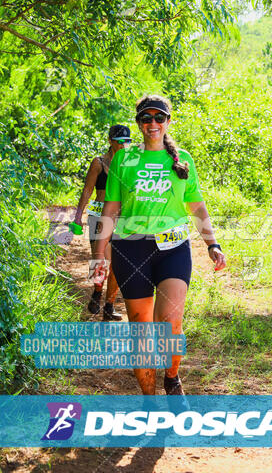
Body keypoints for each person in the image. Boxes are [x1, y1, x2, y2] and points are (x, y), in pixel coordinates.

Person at [91, 94, 226, 395]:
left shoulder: (183, 159)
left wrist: (212, 243)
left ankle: (172, 376)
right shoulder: (125, 159)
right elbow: (110, 210)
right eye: (146, 118)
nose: (153, 123)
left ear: (168, 121)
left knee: (171, 322)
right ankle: (150, 403)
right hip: (130, 247)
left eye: (159, 117)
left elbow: (197, 206)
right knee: (141, 332)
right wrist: (99, 256)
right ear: (138, 123)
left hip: (173, 248)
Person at [73, 124, 132, 321]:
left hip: (121, 217)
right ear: (110, 141)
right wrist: (77, 216)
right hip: (98, 215)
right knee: (100, 259)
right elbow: (87, 190)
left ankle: (109, 306)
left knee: (117, 264)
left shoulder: (130, 165)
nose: (124, 145)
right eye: (120, 141)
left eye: (127, 141)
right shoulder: (99, 163)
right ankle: (97, 291)